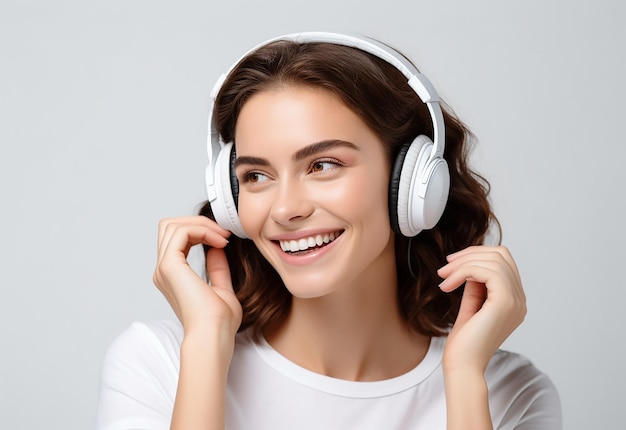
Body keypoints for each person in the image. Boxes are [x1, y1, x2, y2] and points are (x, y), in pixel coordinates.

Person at [96, 32, 561, 429]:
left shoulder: (508, 393)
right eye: (256, 176)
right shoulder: (159, 362)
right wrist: (205, 351)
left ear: (412, 184)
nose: (284, 209)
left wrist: (461, 380)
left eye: (323, 164)